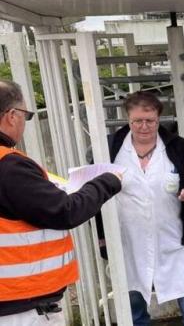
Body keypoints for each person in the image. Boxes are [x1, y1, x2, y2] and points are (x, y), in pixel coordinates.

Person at [0, 79, 122, 325]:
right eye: (26, 114)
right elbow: (65, 211)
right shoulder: (9, 166)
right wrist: (107, 181)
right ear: (12, 115)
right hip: (22, 306)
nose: (24, 121)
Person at [109, 91, 184, 326]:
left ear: (158, 119)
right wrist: (103, 236)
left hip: (173, 235)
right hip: (128, 237)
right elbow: (96, 190)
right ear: (128, 119)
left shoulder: (178, 147)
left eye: (150, 121)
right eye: (137, 121)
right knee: (133, 294)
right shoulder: (111, 147)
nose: (144, 126)